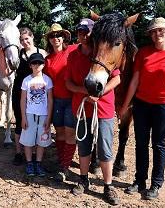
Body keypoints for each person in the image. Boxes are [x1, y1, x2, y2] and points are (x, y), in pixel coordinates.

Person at [118, 17, 165, 200]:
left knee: (159, 145)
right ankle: (140, 180)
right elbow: (134, 82)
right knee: (141, 144)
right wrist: (125, 106)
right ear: (150, 35)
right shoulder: (143, 54)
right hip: (142, 105)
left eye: (161, 30)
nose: (158, 34)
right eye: (154, 31)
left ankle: (156, 184)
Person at [65, 19, 120, 205]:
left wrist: (100, 92)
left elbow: (117, 79)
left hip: (103, 109)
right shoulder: (72, 56)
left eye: (87, 31)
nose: (83, 35)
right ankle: (83, 179)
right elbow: (68, 83)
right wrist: (85, 91)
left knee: (105, 148)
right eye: (80, 31)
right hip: (81, 109)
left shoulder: (102, 51)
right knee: (84, 147)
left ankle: (108, 185)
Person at [43, 23, 77, 181]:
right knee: (60, 133)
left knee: (70, 133)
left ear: (64, 37)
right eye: (52, 36)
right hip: (57, 100)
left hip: (72, 99)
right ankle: (62, 161)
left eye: (58, 35)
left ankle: (65, 166)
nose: (55, 38)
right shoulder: (48, 60)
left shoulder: (73, 51)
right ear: (49, 40)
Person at [12, 27, 46, 166]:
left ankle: (35, 152)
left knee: (37, 122)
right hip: (20, 91)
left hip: (37, 92)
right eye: (22, 40)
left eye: (27, 38)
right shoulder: (17, 54)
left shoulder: (42, 53)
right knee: (20, 121)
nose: (25, 42)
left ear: (32, 37)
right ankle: (18, 152)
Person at [20, 52, 53, 177]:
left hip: (43, 115)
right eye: (34, 63)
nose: (37, 65)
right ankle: (29, 163)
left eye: (40, 63)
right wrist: (23, 117)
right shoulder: (27, 80)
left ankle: (38, 163)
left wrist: (48, 118)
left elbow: (50, 100)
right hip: (29, 114)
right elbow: (23, 100)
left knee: (41, 141)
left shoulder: (47, 80)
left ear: (43, 65)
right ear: (30, 65)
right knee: (28, 141)